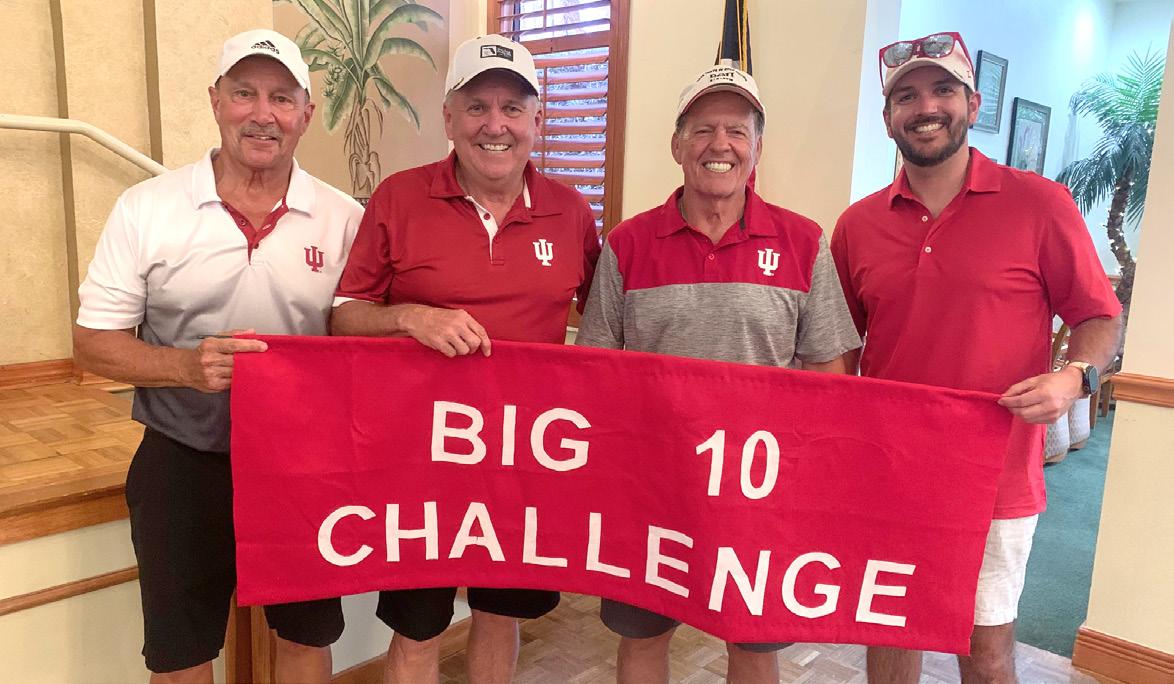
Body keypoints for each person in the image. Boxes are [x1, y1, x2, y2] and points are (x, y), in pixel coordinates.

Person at [830, 31, 1123, 684]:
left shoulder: (1039, 204)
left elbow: (1100, 315)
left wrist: (1074, 377)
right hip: (890, 473)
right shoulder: (856, 226)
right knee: (890, 630)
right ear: (887, 117)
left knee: (985, 648)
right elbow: (840, 347)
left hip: (995, 477)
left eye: (942, 90)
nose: (925, 107)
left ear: (973, 103)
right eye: (906, 96)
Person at [72, 29, 363, 684]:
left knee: (307, 636)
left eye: (282, 98)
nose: (262, 114)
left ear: (306, 113)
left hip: (303, 467)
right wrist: (183, 366)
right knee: (181, 652)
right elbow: (92, 342)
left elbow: (359, 336)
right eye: (244, 93)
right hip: (181, 460)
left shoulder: (344, 218)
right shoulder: (147, 208)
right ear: (215, 101)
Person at [575, 65, 862, 684]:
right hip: (651, 487)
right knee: (643, 638)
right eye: (703, 129)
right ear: (677, 145)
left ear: (757, 147)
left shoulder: (803, 242)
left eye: (737, 130)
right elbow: (597, 373)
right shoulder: (627, 244)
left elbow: (829, 374)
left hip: (759, 490)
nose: (720, 144)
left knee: (753, 646)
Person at [330, 34, 600, 684]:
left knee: (499, 616)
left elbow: (606, 328)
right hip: (419, 456)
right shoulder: (398, 198)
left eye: (512, 108)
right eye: (476, 107)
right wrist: (410, 317)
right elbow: (343, 317)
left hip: (523, 456)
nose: (494, 125)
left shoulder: (571, 212)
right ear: (449, 118)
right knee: (418, 627)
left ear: (538, 121)